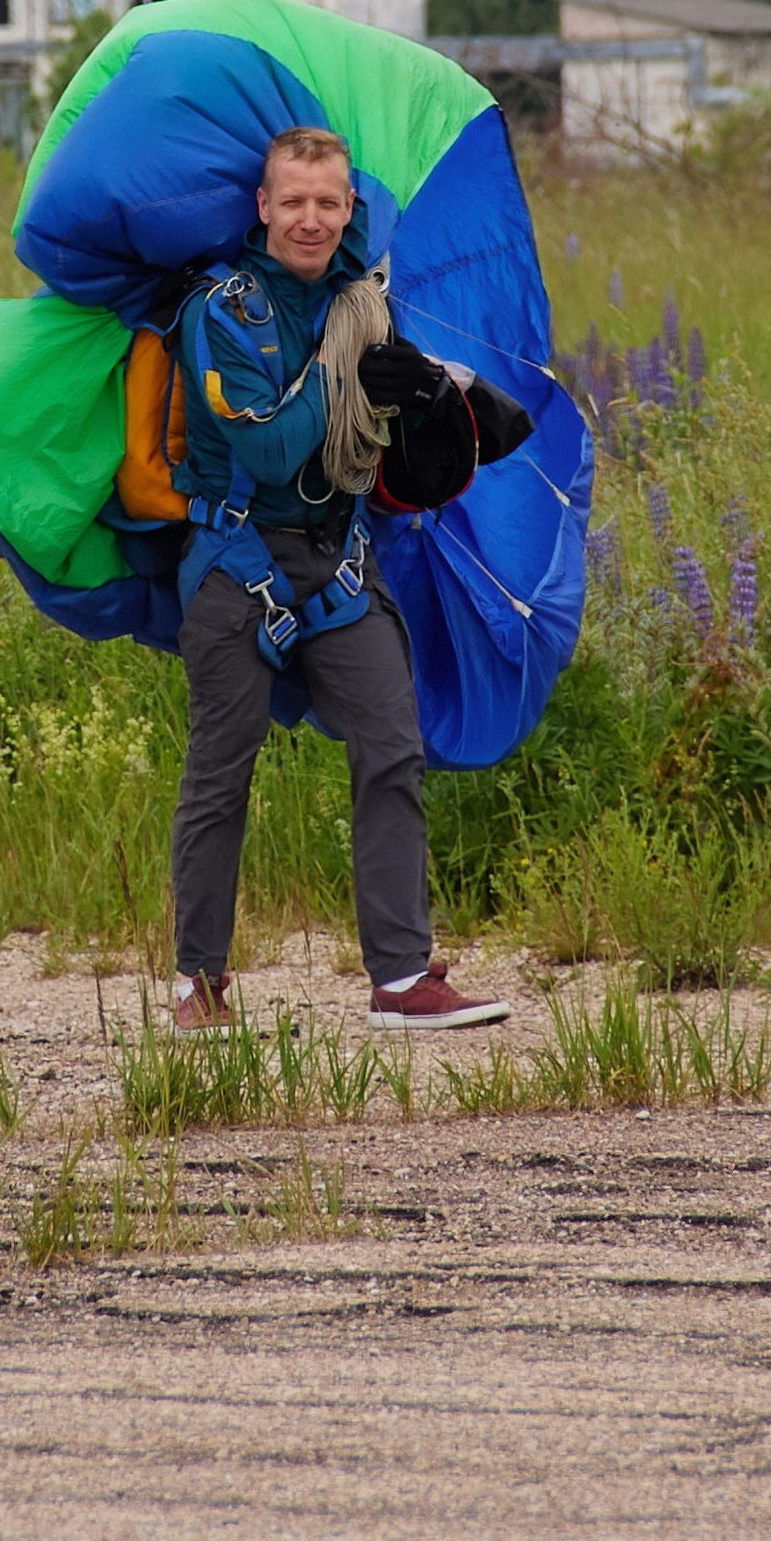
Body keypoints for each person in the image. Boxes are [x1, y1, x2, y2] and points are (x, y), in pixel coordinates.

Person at [165, 122, 508, 1035]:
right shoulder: (221, 313)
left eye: (328, 203)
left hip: (340, 563)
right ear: (263, 208)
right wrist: (344, 363)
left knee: (393, 749)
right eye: (295, 202)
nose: (311, 221)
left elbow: (422, 460)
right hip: (236, 569)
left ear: (348, 207)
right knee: (220, 775)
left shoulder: (368, 303)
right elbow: (272, 449)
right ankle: (198, 983)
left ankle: (400, 979)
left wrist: (431, 397)